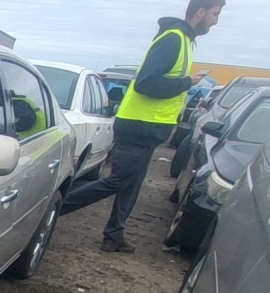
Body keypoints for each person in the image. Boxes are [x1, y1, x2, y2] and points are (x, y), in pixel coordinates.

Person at [60, 0, 225, 253]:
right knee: (118, 181)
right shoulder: (173, 39)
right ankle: (50, 210)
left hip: (147, 129)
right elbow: (145, 84)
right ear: (200, 12)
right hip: (138, 127)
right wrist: (186, 82)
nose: (216, 21)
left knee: (132, 184)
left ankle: (114, 235)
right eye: (215, 14)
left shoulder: (184, 40)